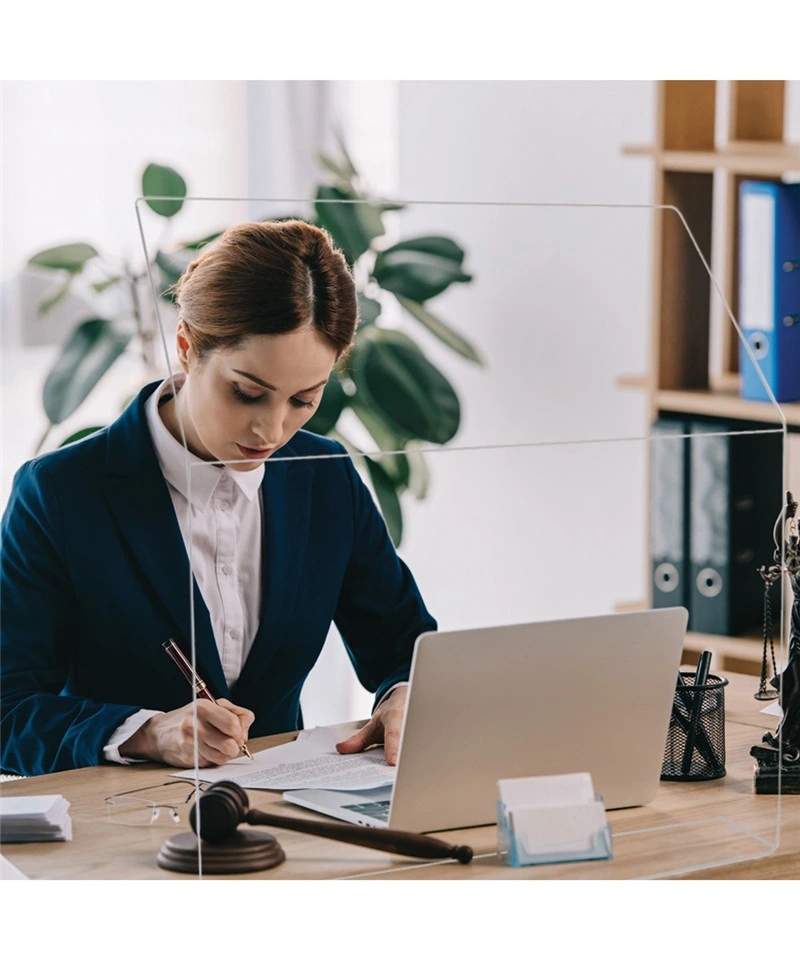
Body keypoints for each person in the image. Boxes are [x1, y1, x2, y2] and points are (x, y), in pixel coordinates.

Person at [0, 220, 436, 777]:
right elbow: (8, 708)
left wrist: (404, 695)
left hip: (284, 819)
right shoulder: (60, 492)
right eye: (247, 393)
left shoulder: (323, 474)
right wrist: (144, 732)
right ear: (186, 347)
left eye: (304, 400)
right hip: (122, 828)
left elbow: (406, 647)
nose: (271, 431)